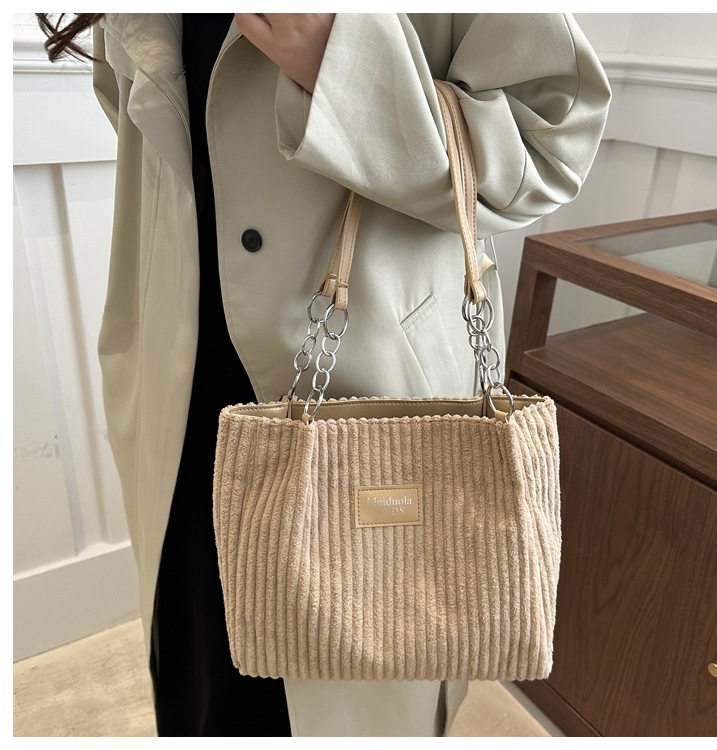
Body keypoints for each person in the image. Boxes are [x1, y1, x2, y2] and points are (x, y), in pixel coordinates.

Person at [38, 13, 611, 737]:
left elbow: (549, 145)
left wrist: (345, 71)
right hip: (176, 387)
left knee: (357, 694)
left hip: (371, 397)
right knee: (204, 678)